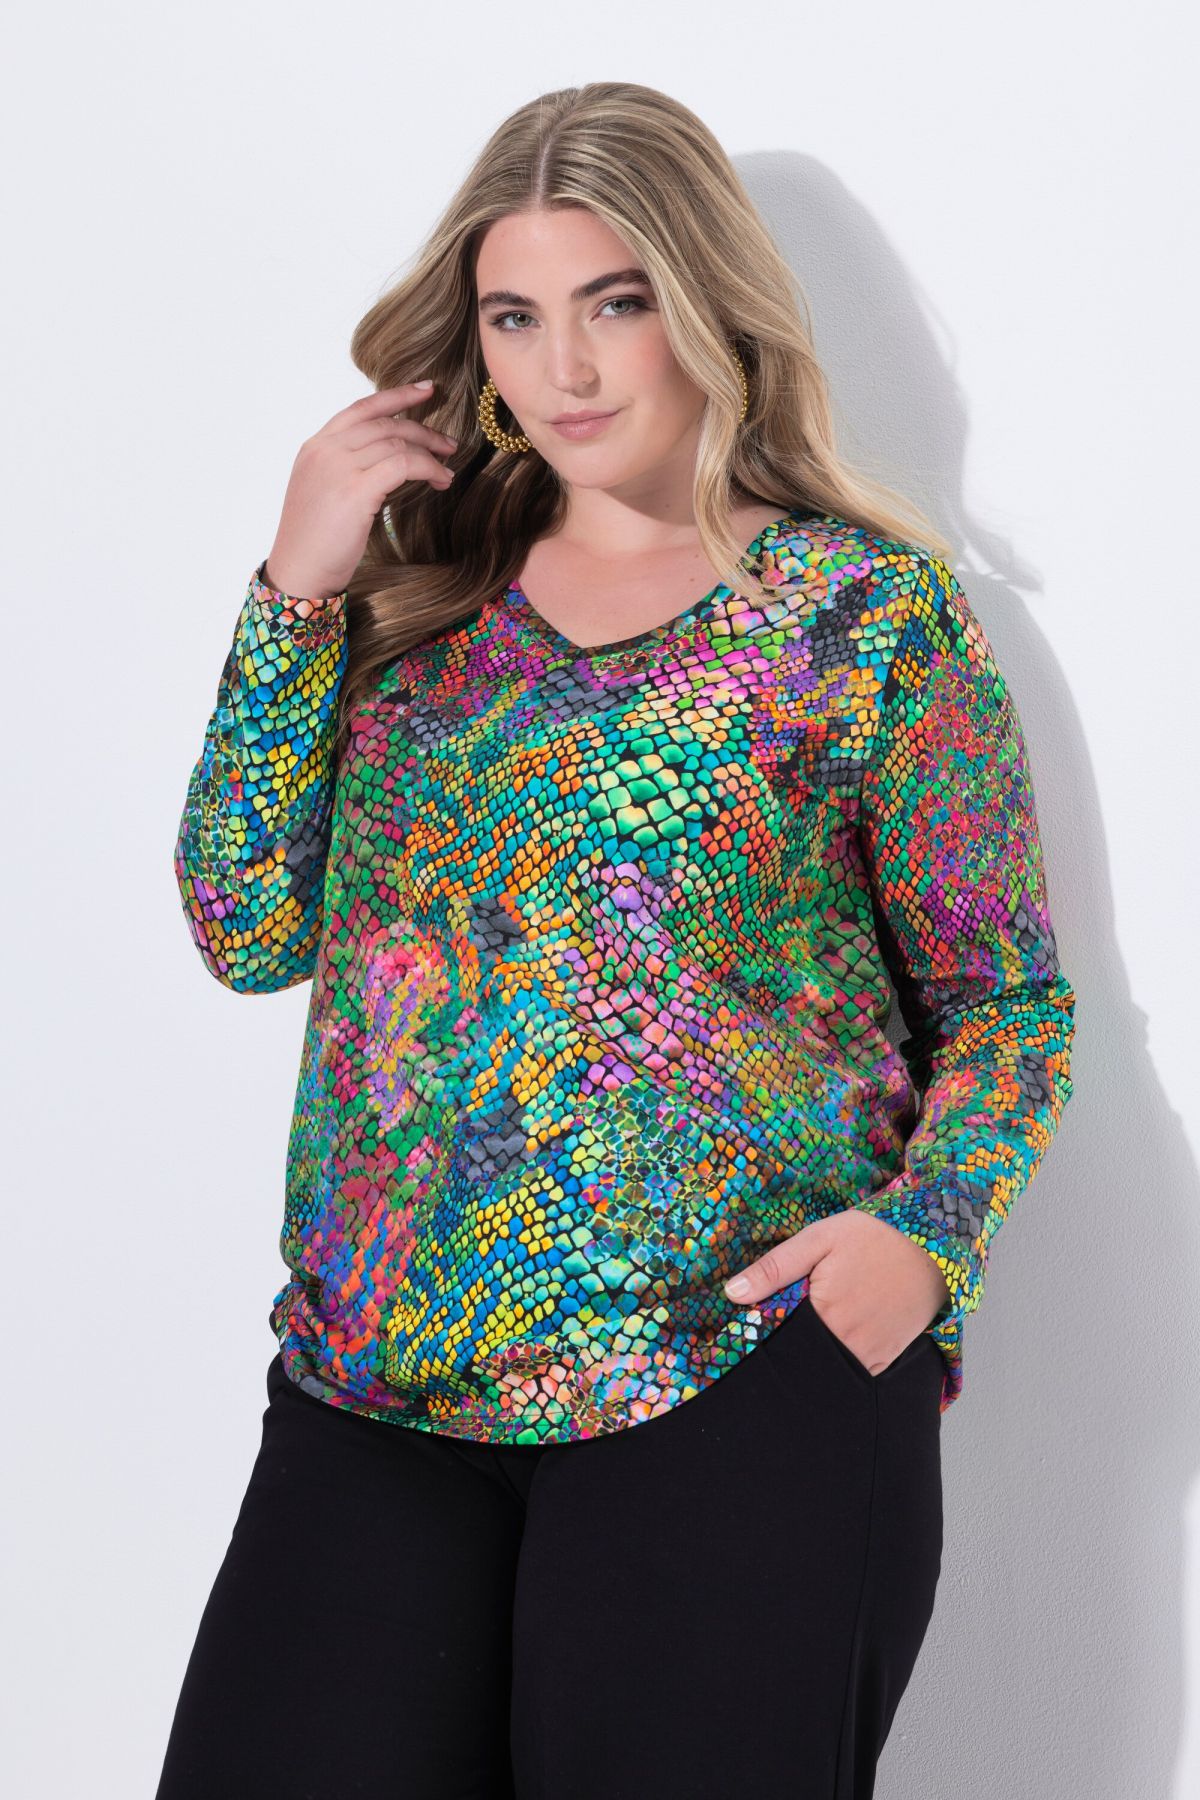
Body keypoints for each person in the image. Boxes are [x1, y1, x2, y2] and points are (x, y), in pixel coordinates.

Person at [155, 79, 1075, 1800]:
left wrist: (918, 1246)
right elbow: (242, 925)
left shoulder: (860, 617)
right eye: (516, 316)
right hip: (374, 1396)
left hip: (734, 1380)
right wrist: (295, 588)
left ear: (703, 302)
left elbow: (1005, 1002)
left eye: (615, 302)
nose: (564, 367)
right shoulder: (418, 599)